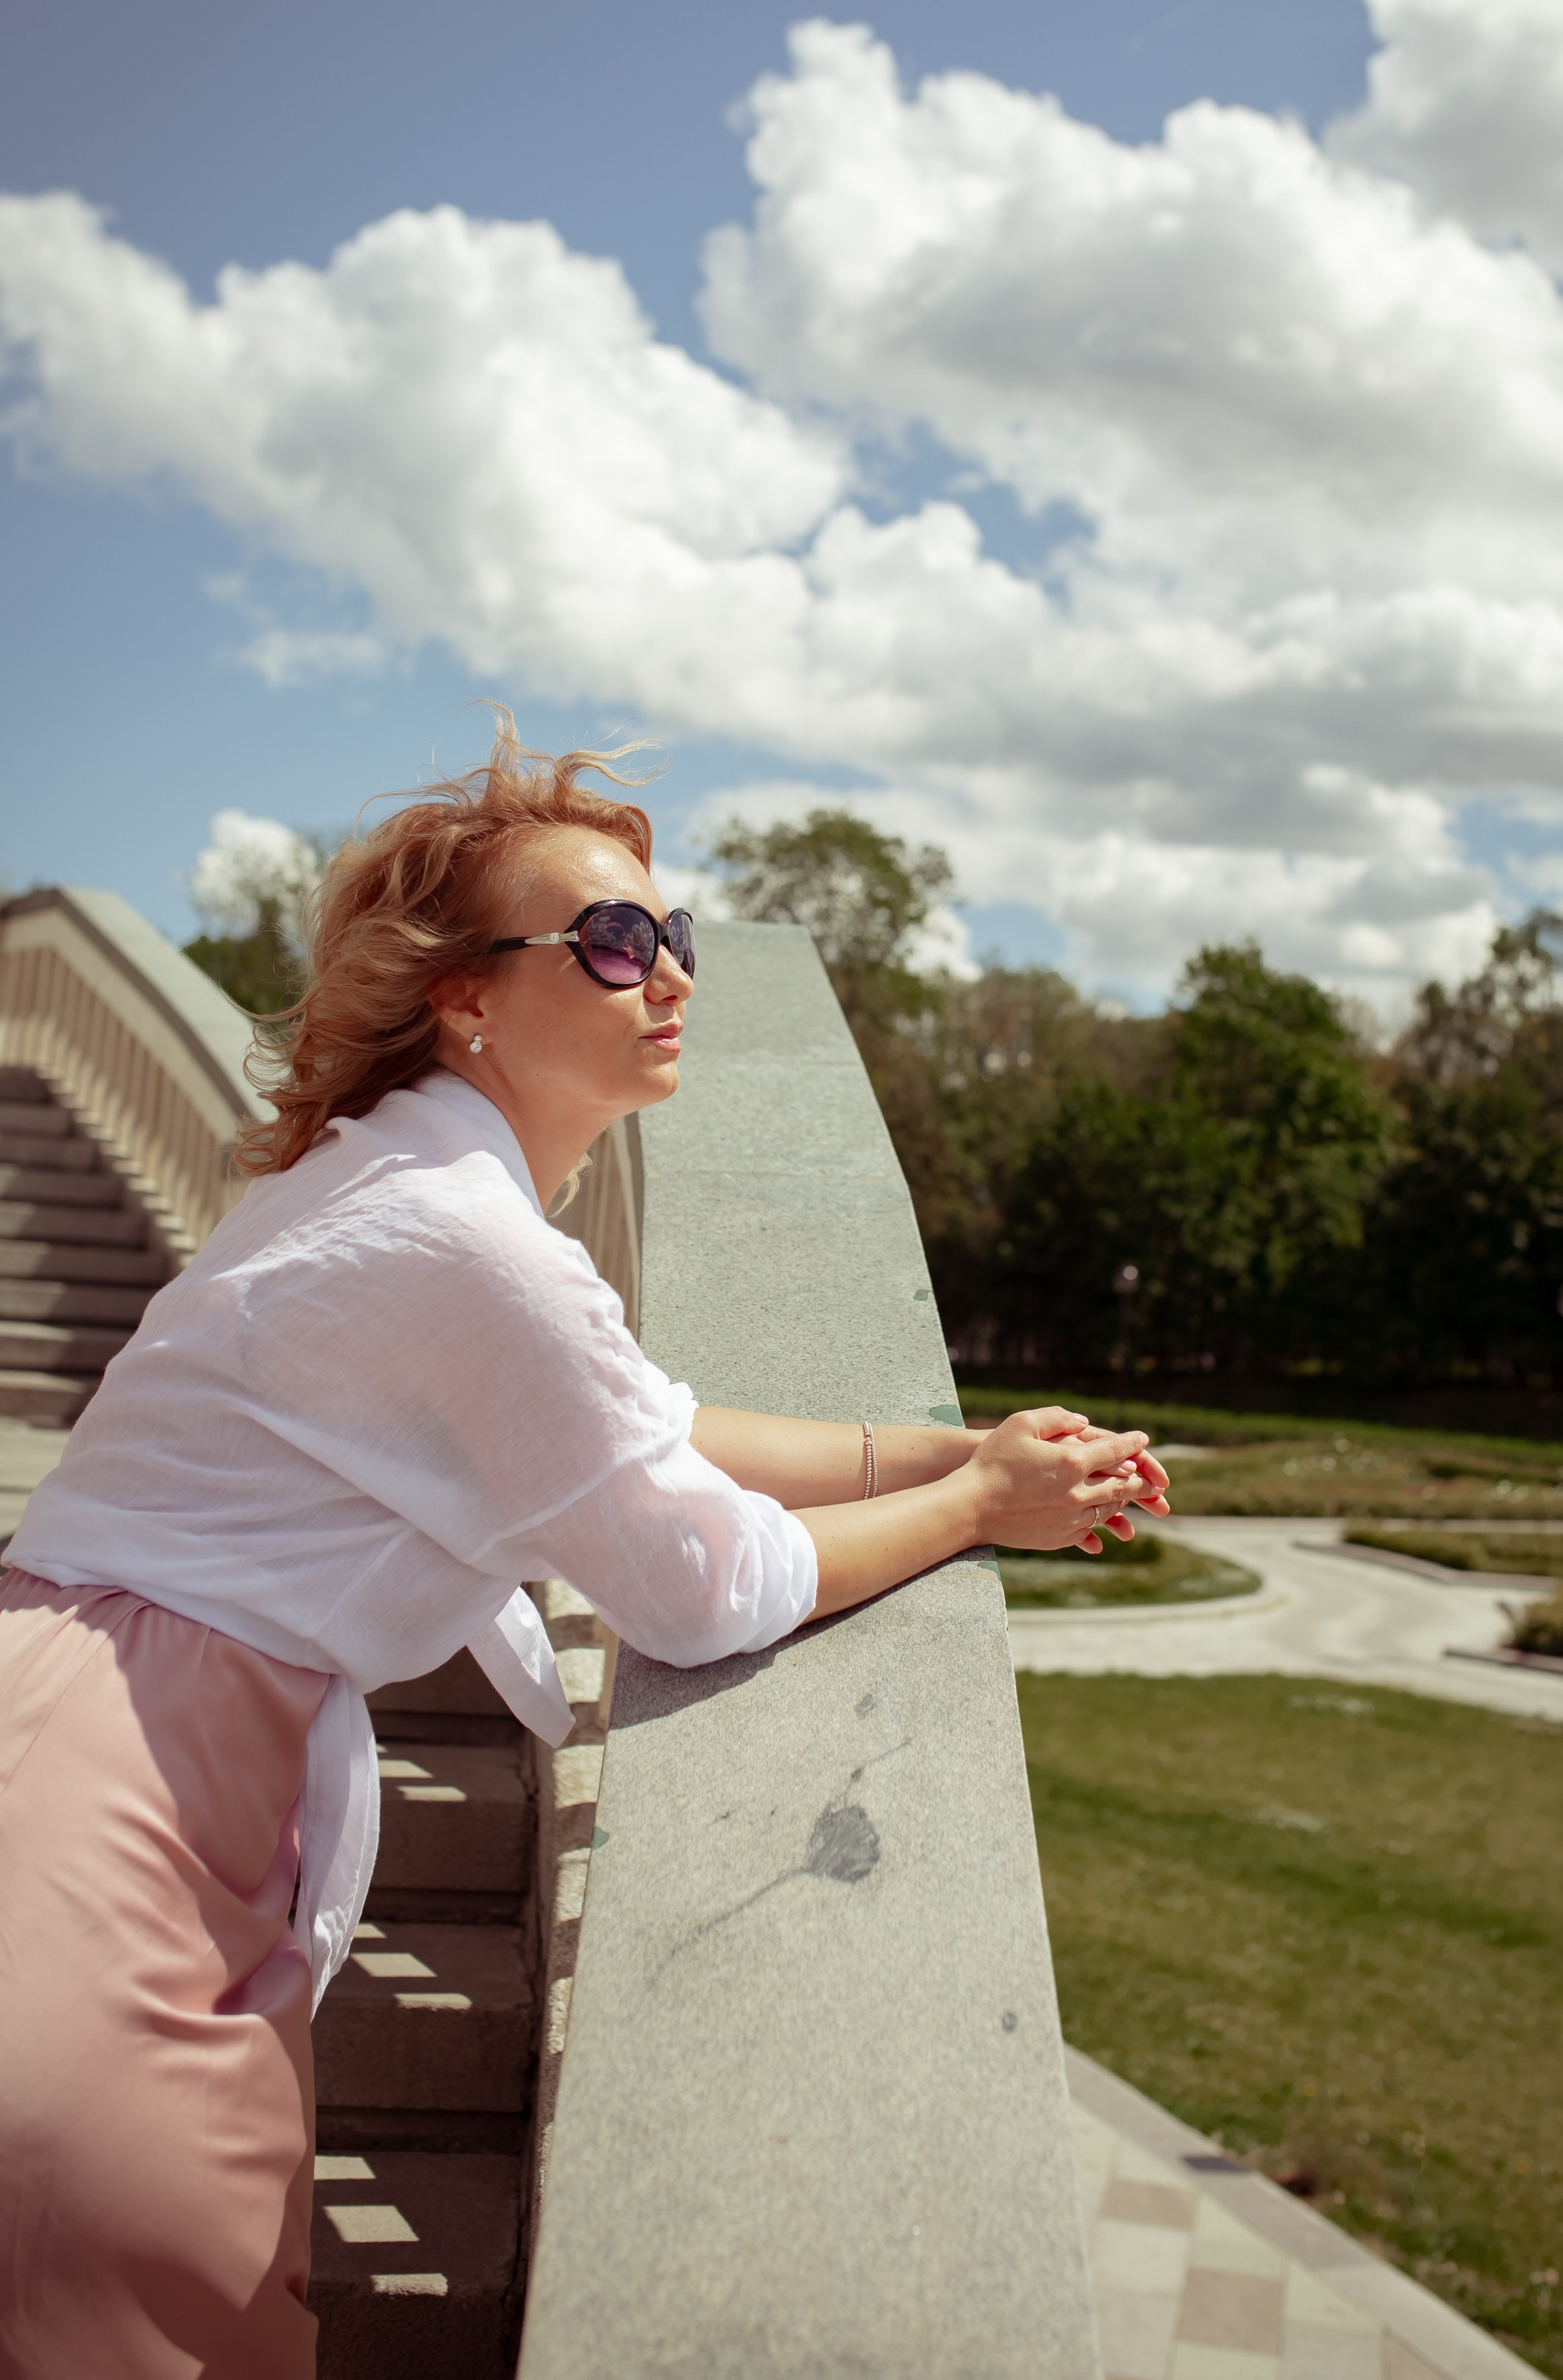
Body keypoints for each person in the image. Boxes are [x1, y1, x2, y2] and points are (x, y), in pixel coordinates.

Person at [0, 724, 1166, 2378]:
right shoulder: (464, 1242)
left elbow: (642, 1417)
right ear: (467, 997)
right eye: (615, 943)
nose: (669, 973)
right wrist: (979, 1513)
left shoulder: (387, 1188)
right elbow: (704, 1589)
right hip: (110, 1814)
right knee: (150, 2317)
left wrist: (955, 1446)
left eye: (671, 936)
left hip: (81, 1733)